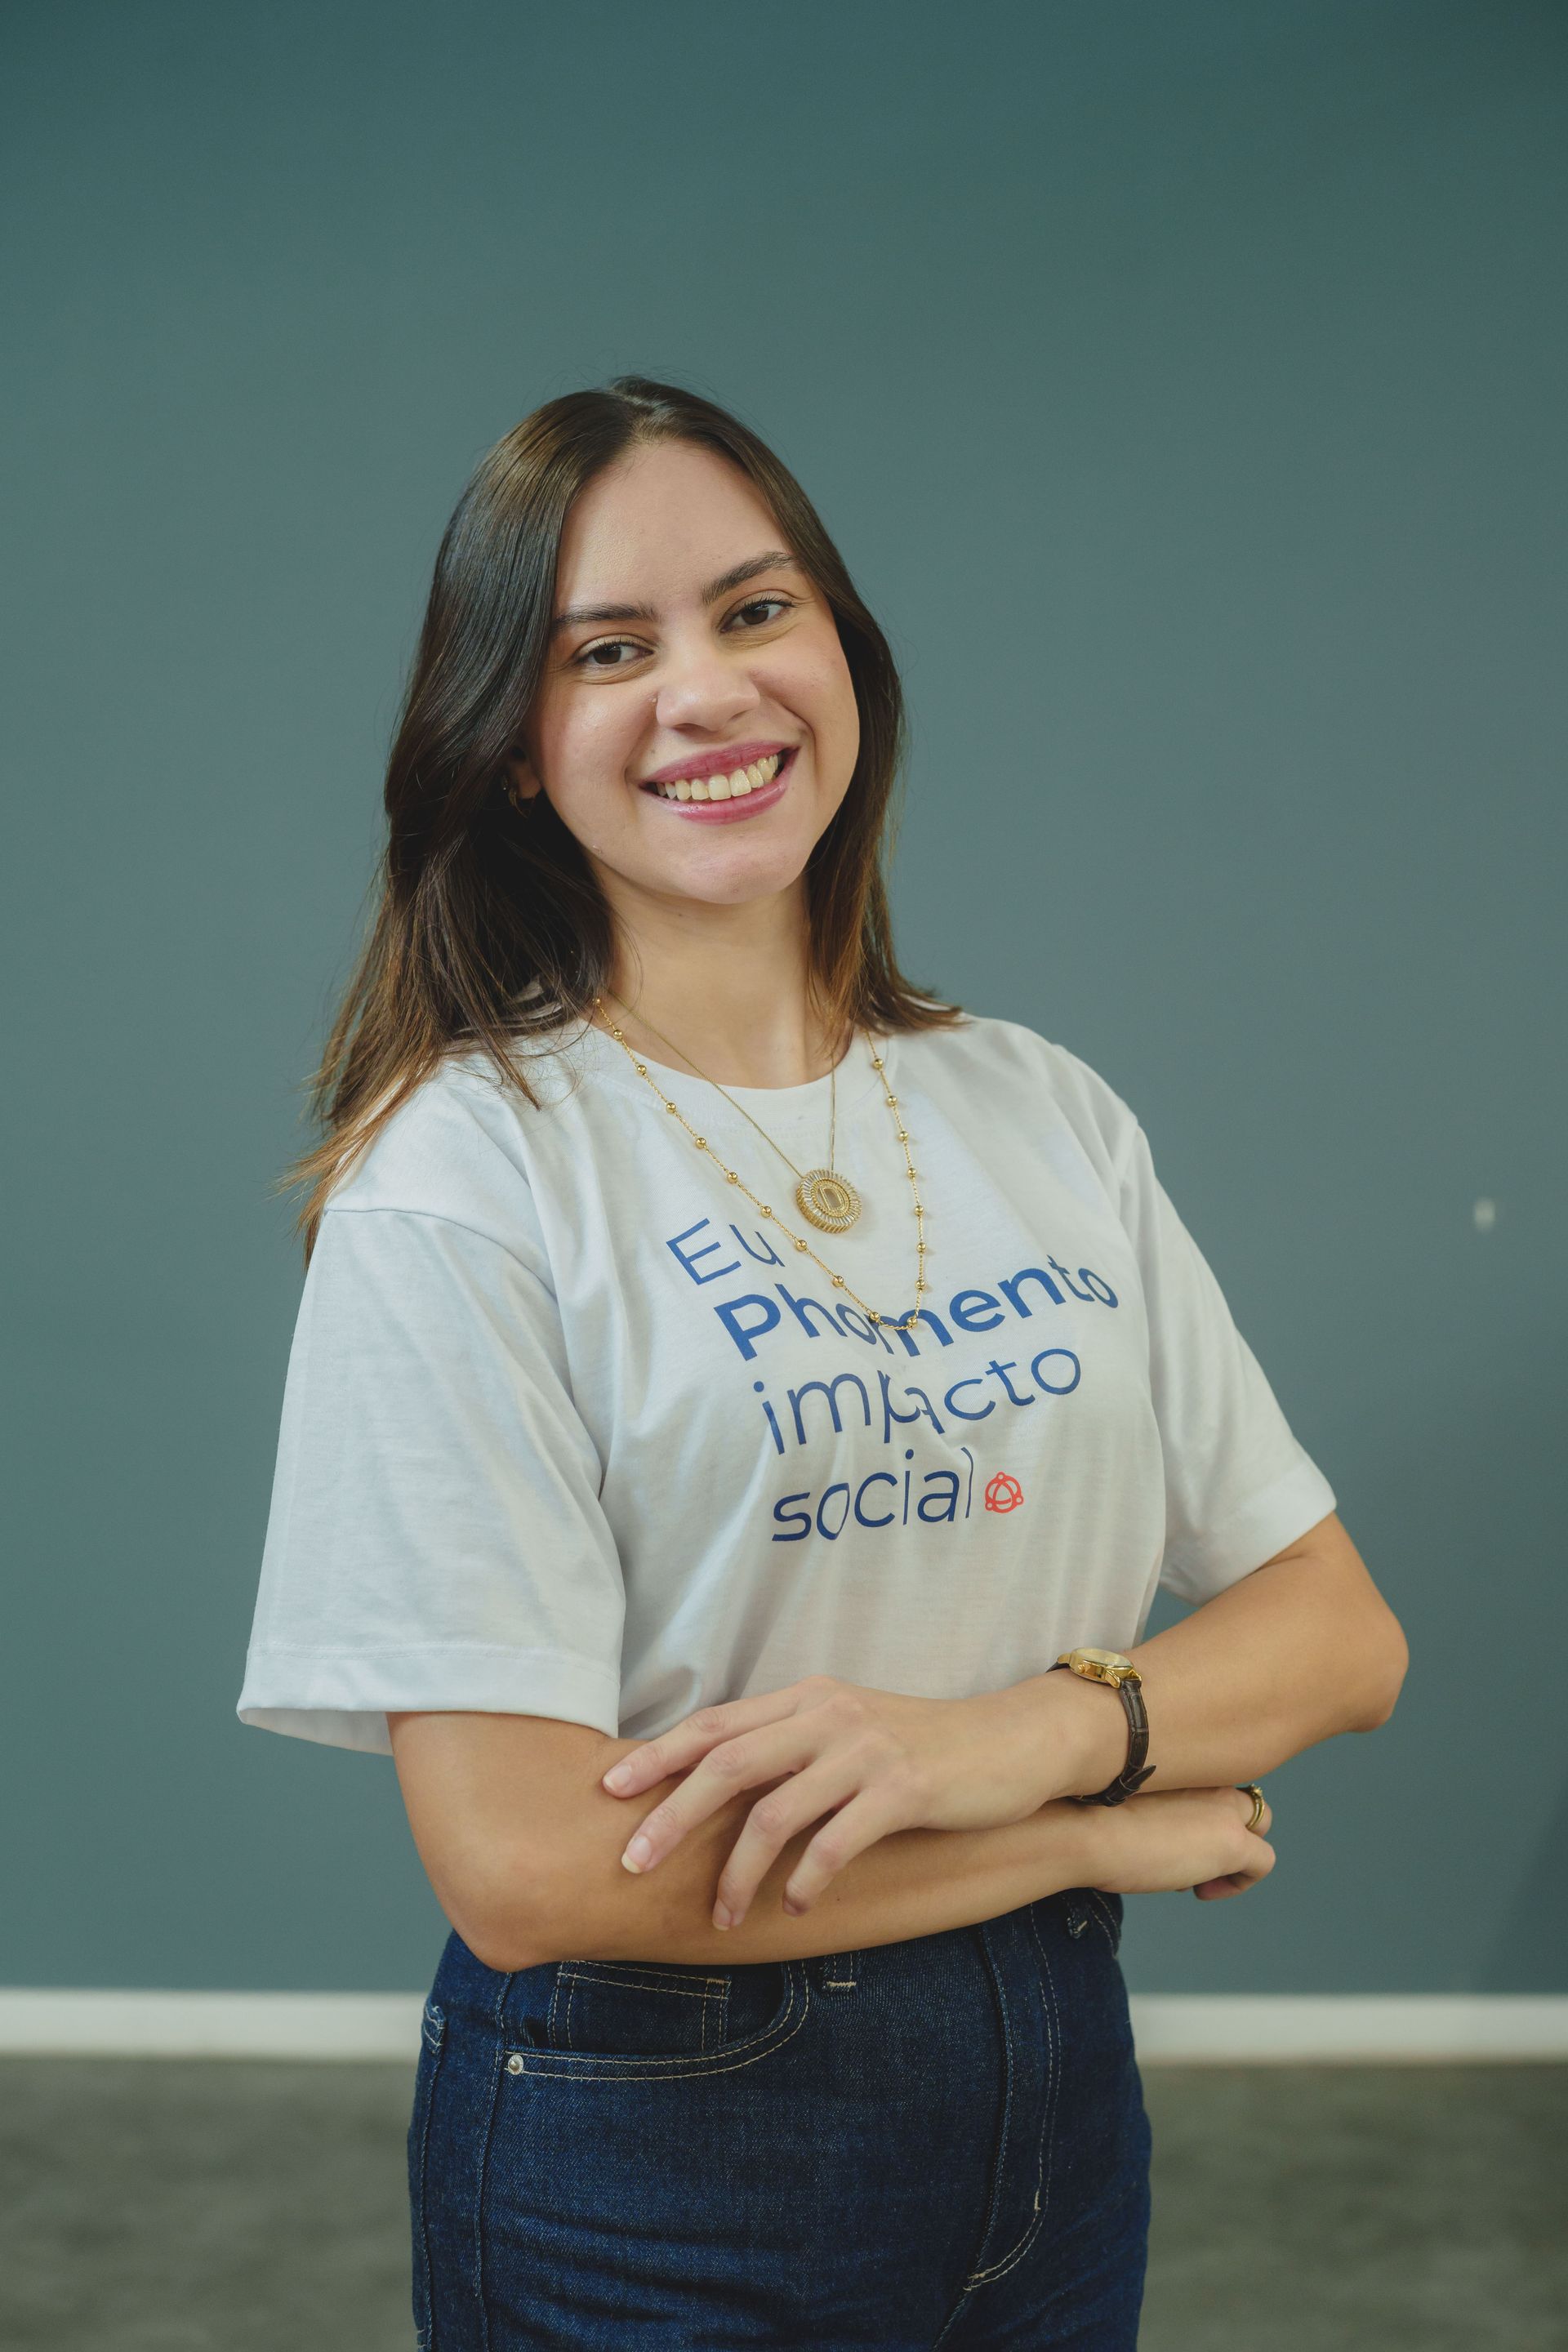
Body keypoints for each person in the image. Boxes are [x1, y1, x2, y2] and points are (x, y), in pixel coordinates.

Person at [236, 374, 1408, 2350]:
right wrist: (1099, 1828)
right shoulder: (463, 1174)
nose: (707, 692)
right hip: (659, 2134)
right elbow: (526, 1867)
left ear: (844, 658)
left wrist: (1006, 1739)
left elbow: (1337, 1635)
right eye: (611, 650)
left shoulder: (1037, 1108)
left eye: (757, 611)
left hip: (1054, 2088)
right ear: (514, 747)